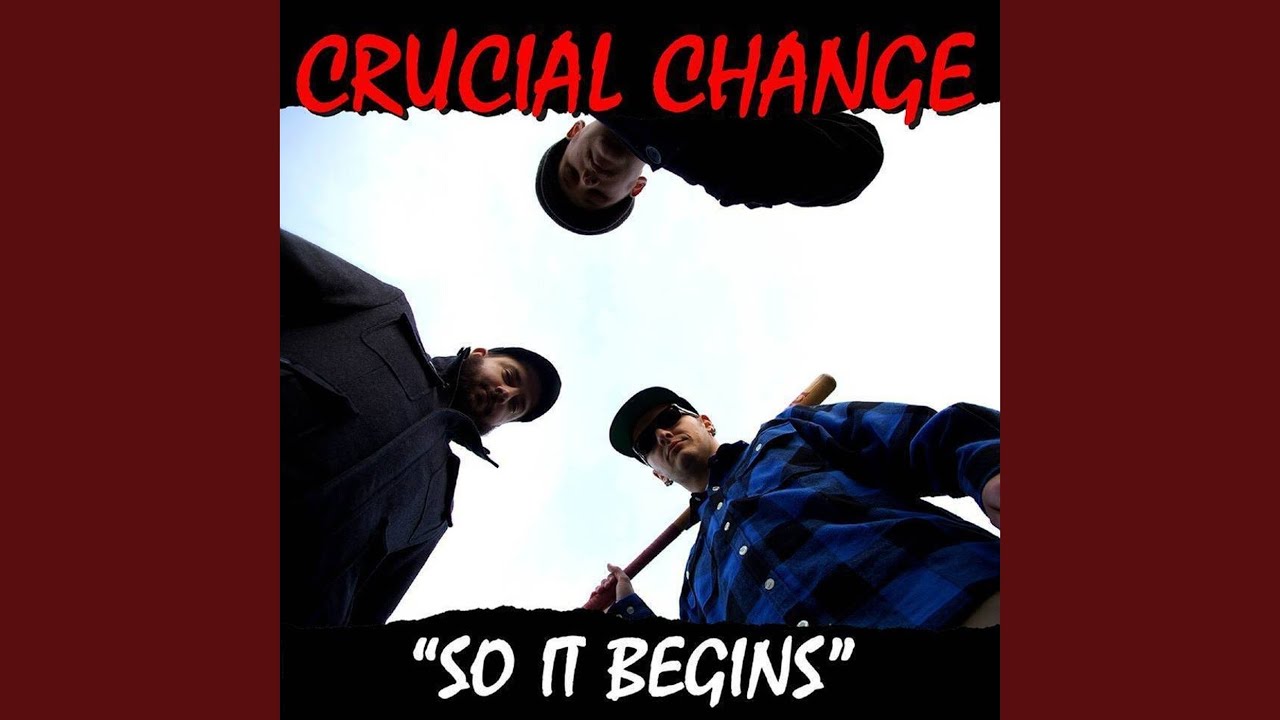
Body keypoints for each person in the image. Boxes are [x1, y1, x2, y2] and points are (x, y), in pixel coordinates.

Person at [280, 229, 562, 627]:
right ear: (481, 354)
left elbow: (366, 617)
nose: (505, 393)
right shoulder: (384, 315)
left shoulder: (434, 513)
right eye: (509, 375)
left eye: (515, 405)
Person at [598, 386, 1001, 630]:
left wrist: (991, 472)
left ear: (705, 422)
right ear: (658, 474)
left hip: (959, 607)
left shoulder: (790, 432)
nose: (662, 434)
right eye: (646, 444)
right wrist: (628, 611)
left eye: (670, 417)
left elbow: (925, 434)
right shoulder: (696, 580)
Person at [535, 111, 885, 235]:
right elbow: (856, 158)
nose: (588, 179)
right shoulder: (722, 168)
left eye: (570, 173)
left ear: (574, 131)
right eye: (596, 195)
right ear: (636, 188)